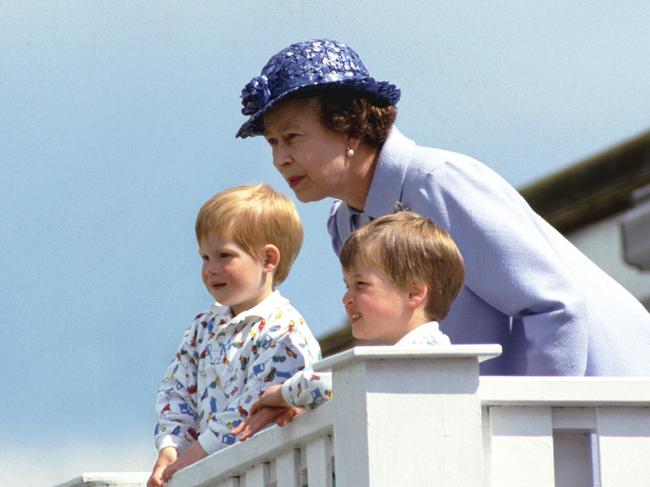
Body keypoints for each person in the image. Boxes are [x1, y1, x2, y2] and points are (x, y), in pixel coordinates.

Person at [236, 38, 650, 376]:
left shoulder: (439, 181)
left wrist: (535, 433)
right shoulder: (345, 222)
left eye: (292, 136)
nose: (279, 159)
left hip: (610, 416)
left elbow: (554, 305)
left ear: (348, 124)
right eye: (273, 142)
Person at [232, 211, 464, 440]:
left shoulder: (423, 353)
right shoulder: (408, 355)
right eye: (347, 286)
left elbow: (331, 384)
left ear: (414, 292)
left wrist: (280, 395)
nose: (346, 299)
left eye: (361, 284)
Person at [147, 184, 322, 487]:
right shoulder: (203, 328)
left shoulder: (285, 331)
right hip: (215, 476)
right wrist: (170, 447)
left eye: (224, 255)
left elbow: (251, 406)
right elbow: (176, 390)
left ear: (269, 259)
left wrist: (194, 459)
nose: (210, 269)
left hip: (270, 475)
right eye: (204, 257)